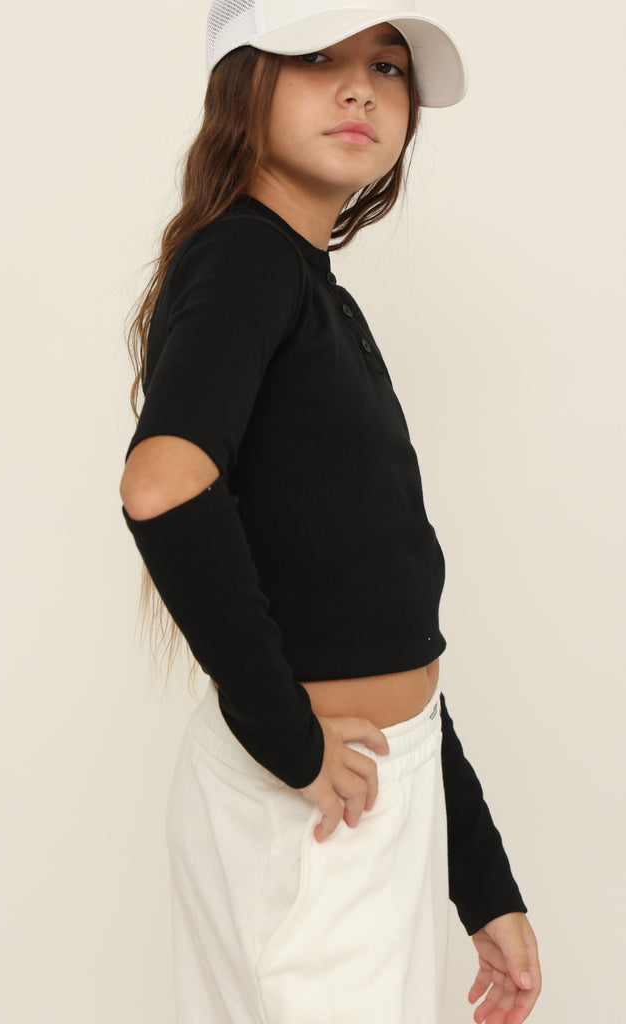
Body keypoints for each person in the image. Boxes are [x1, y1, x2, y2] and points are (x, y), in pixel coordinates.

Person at [119, 2, 542, 1022]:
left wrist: (477, 877)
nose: (360, 87)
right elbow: (161, 482)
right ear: (241, 81)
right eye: (315, 55)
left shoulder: (303, 282)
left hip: (365, 795)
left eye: (386, 66)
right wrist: (290, 742)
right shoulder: (248, 260)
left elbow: (379, 606)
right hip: (311, 812)